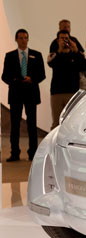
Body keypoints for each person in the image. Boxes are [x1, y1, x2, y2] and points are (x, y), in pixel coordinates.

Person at [2, 29, 46, 161]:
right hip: (15, 94)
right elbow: (4, 76)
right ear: (16, 39)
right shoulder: (9, 56)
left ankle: (33, 153)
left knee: (32, 125)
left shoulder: (36, 55)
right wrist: (16, 80)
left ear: (28, 39)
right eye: (20, 38)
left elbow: (42, 75)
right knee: (15, 125)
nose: (23, 40)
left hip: (31, 94)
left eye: (25, 38)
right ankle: (14, 153)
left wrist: (31, 79)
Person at [48, 29, 86, 128]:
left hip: (72, 92)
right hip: (57, 93)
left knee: (71, 122)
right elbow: (51, 63)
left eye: (67, 38)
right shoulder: (54, 54)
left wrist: (76, 50)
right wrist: (60, 50)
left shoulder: (76, 54)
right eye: (62, 38)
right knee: (56, 123)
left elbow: (84, 66)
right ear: (57, 40)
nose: (65, 40)